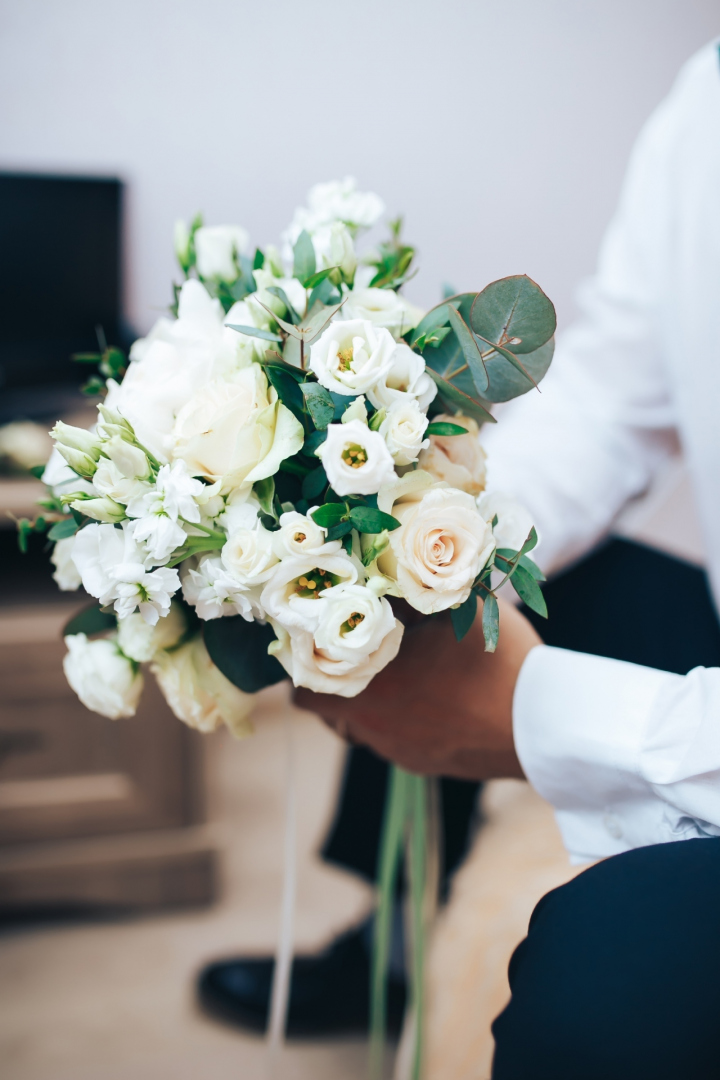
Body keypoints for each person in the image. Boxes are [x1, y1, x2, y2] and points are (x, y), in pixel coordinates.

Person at [201, 39, 720, 1076]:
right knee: (426, 586)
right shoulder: (707, 97)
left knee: (599, 975)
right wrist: (407, 527)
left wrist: (539, 715)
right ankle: (394, 934)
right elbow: (614, 403)